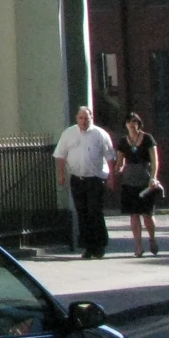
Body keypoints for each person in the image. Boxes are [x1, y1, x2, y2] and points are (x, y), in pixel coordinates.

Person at [51, 106, 115, 260]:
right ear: (76, 119)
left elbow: (110, 157)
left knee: (95, 211)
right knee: (82, 212)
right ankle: (87, 247)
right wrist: (61, 174)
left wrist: (111, 177)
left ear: (91, 118)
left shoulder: (100, 134)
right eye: (81, 118)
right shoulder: (68, 134)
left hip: (96, 178)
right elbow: (60, 155)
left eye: (86, 118)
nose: (84, 121)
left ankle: (99, 245)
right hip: (77, 179)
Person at [116, 113, 163, 257]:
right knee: (134, 214)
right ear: (126, 124)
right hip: (129, 181)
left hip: (145, 180)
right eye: (130, 122)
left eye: (135, 122)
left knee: (147, 214)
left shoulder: (148, 139)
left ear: (139, 123)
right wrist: (117, 170)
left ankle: (152, 239)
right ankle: (138, 246)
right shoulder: (123, 142)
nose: (132, 124)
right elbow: (120, 161)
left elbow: (155, 160)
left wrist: (153, 178)